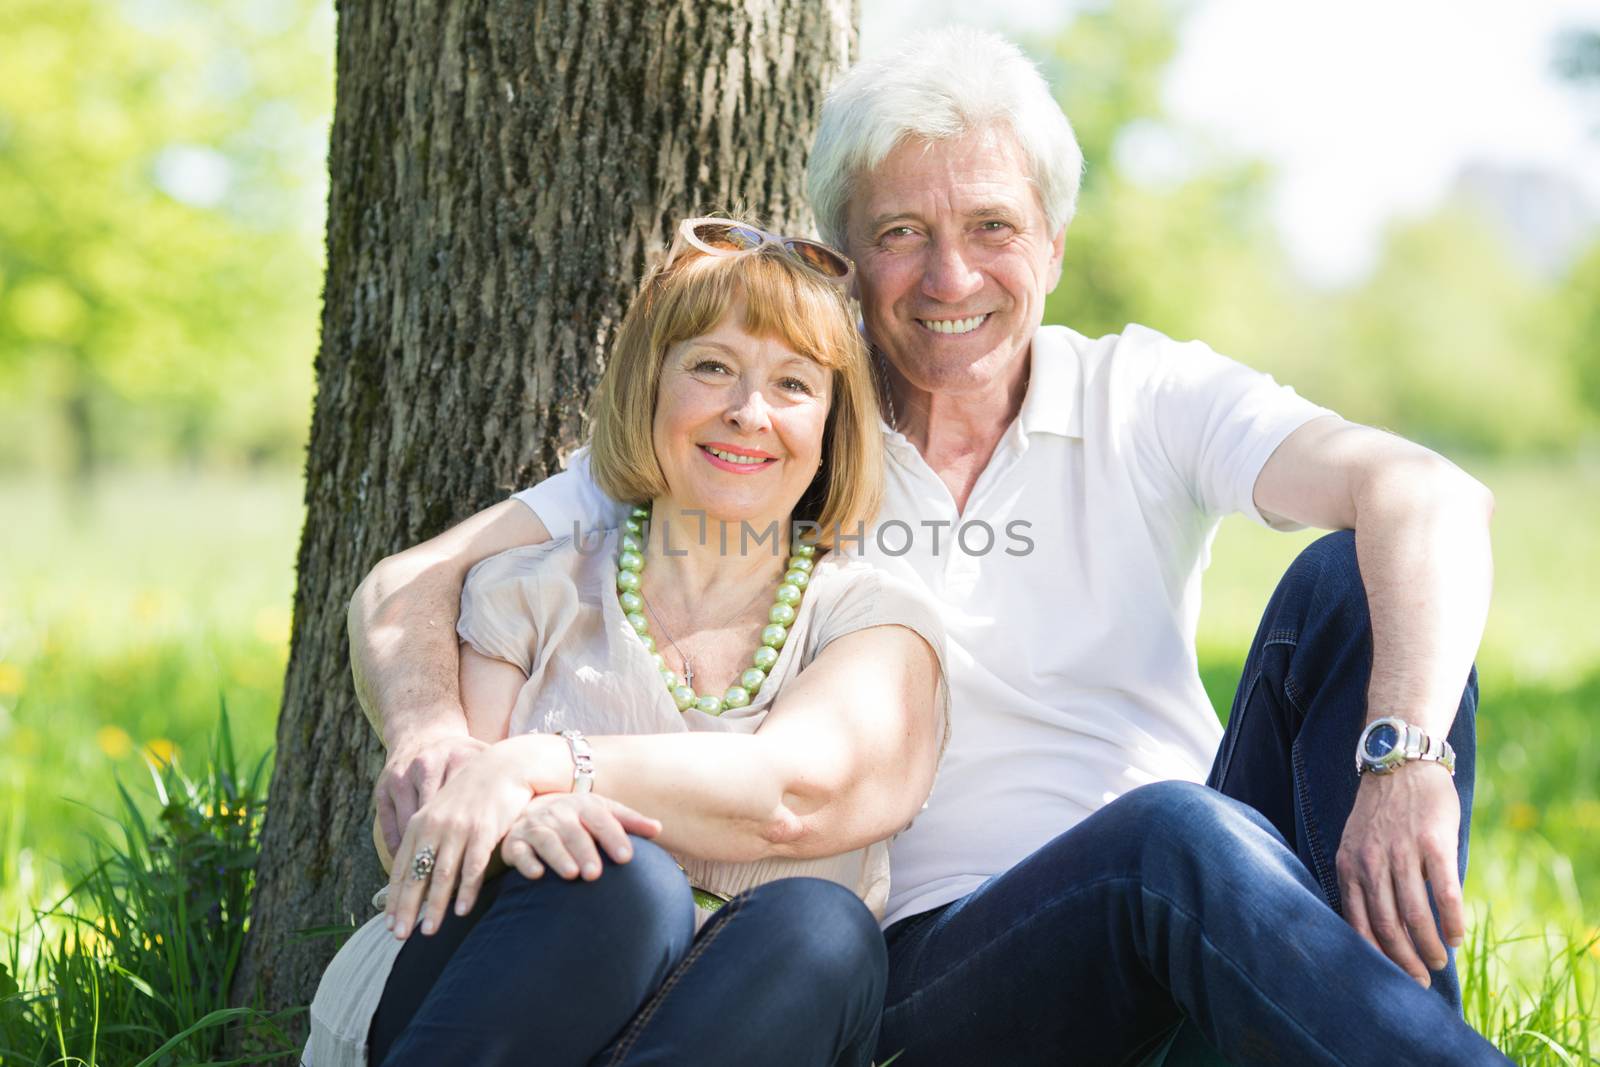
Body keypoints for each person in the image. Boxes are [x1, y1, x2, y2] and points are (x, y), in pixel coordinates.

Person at [350, 29, 1512, 1066]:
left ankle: (1390, 1027)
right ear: (844, 260)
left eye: (992, 227)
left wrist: (1404, 757)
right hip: (938, 970)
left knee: (1345, 585)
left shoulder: (1142, 392)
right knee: (1168, 836)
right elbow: (413, 582)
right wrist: (438, 740)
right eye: (902, 234)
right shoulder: (780, 437)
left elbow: (1426, 492)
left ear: (1051, 244)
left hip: (1215, 906)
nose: (951, 278)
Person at [305, 219, 949, 1067]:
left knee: (819, 926)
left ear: (832, 424)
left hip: (741, 1027)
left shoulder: (873, 619)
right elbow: (431, 832)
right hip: (492, 1000)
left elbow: (797, 790)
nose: (748, 412)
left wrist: (538, 767)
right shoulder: (531, 589)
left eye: (793, 383)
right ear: (651, 385)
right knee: (617, 881)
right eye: (711, 366)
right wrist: (511, 829)